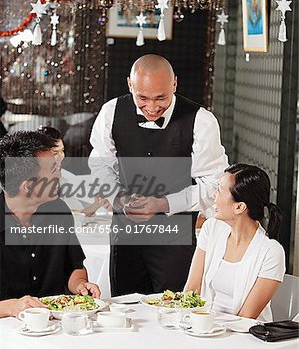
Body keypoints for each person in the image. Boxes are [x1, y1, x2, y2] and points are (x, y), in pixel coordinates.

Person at [89, 54, 228, 296]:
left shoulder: (201, 121)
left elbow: (215, 185)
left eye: (161, 98)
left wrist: (164, 203)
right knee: (126, 308)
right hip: (125, 235)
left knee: (173, 309)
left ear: (174, 84)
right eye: (142, 98)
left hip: (174, 241)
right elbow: (100, 164)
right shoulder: (110, 112)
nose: (152, 108)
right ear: (130, 85)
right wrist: (117, 198)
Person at [0, 131, 101, 318]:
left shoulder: (59, 210)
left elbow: (74, 266)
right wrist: (11, 307)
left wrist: (80, 285)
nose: (60, 174)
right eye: (54, 169)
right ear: (28, 186)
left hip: (56, 326)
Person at [184, 163, 285, 321]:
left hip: (244, 338)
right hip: (204, 329)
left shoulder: (271, 252)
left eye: (219, 190)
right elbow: (191, 290)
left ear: (239, 207)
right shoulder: (211, 229)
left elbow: (245, 318)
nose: (213, 196)